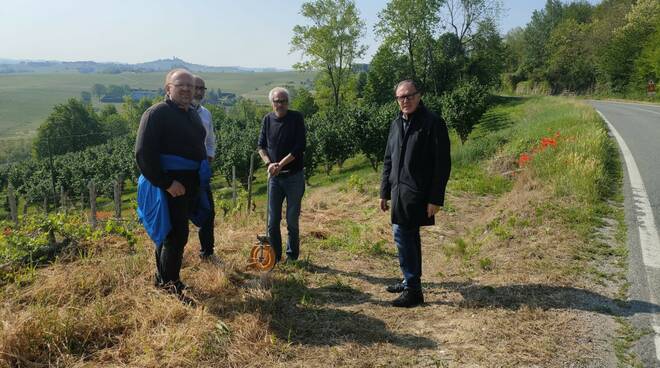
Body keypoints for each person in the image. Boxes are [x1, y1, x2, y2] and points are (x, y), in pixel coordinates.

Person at [135, 68, 208, 296]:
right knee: (174, 236)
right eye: (180, 85)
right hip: (169, 186)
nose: (187, 89)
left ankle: (164, 279)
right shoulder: (156, 114)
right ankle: (170, 285)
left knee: (174, 234)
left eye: (190, 85)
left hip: (188, 184)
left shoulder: (192, 114)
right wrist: (167, 183)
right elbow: (143, 154)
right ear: (168, 88)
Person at [380, 79, 451, 308]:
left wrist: (435, 198)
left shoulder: (432, 123)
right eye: (401, 97)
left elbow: (442, 164)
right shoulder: (396, 123)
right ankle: (409, 280)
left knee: (403, 235)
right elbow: (388, 159)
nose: (405, 100)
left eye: (409, 95)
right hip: (398, 190)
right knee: (408, 237)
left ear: (419, 96)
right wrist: (384, 192)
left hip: (418, 192)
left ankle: (413, 291)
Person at [257, 87, 306, 264]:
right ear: (272, 103)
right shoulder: (267, 120)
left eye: (284, 101)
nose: (281, 104)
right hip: (274, 179)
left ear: (288, 102)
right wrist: (269, 164)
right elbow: (261, 146)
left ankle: (292, 256)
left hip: (293, 176)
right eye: (277, 101)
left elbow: (299, 147)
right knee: (272, 221)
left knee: (292, 219)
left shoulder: (296, 118)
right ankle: (276, 256)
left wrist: (280, 164)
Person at [192, 75, 217, 260]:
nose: (199, 92)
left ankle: (207, 253)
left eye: (202, 88)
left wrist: (208, 159)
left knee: (207, 212)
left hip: (201, 171)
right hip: (180, 172)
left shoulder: (206, 114)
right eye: (196, 88)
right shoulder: (177, 112)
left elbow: (210, 140)